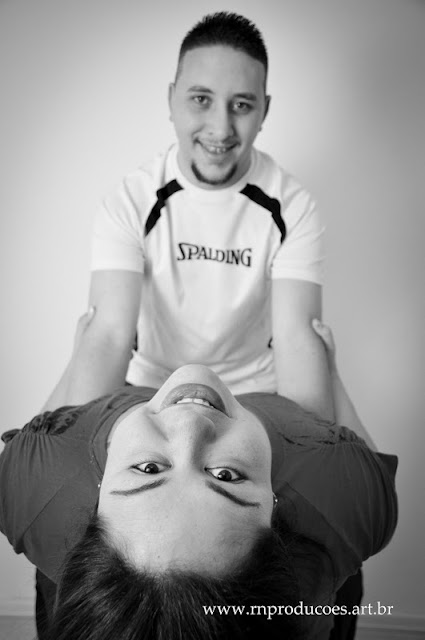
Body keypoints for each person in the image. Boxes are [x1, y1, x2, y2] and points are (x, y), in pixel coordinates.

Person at [0, 320, 398, 640]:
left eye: (149, 469)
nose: (189, 422)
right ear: (275, 512)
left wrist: (79, 358)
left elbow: (97, 346)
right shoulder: (342, 495)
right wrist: (331, 373)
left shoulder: (36, 483)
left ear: (96, 497)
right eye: (226, 476)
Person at [49, 11, 334, 422]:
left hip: (251, 396)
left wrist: (313, 444)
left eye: (241, 105)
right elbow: (109, 335)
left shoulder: (293, 206)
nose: (220, 128)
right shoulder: (131, 199)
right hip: (150, 391)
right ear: (171, 99)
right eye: (201, 99)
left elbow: (296, 340)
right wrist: (75, 440)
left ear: (265, 111)